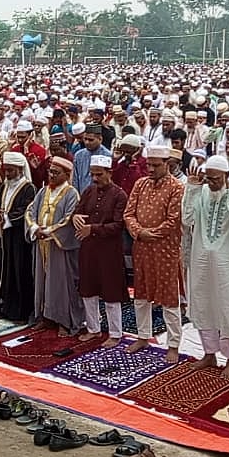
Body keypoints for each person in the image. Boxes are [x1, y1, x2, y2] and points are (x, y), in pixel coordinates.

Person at [183, 154, 229, 379]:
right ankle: (209, 353)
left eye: (215, 179)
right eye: (208, 178)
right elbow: (186, 219)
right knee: (204, 305)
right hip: (201, 260)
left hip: (228, 262)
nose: (211, 183)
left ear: (226, 175)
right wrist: (192, 189)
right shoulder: (201, 192)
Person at [124, 145, 185, 361]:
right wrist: (139, 232)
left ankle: (173, 344)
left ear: (167, 165)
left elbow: (173, 219)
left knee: (169, 298)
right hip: (141, 247)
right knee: (140, 294)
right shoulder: (140, 184)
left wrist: (151, 234)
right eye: (148, 164)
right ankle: (143, 336)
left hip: (165, 250)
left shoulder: (177, 187)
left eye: (155, 165)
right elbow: (128, 213)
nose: (150, 168)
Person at [74, 155, 129, 347]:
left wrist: (93, 229)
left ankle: (115, 333)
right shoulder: (89, 191)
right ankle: (93, 329)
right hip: (89, 248)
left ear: (109, 173)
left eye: (99, 174)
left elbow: (118, 225)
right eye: (93, 175)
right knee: (88, 289)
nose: (95, 178)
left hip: (109, 251)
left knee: (111, 291)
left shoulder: (119, 195)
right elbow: (77, 211)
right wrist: (76, 219)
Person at [25, 156, 83, 335]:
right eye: (50, 172)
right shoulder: (43, 191)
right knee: (41, 282)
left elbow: (69, 220)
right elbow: (30, 211)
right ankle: (45, 317)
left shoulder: (72, 194)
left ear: (66, 175)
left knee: (60, 283)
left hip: (58, 246)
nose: (51, 176)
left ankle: (63, 321)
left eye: (56, 173)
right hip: (41, 243)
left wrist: (49, 232)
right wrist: (35, 228)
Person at [0, 152, 37, 322]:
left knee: (17, 272)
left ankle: (18, 311)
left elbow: (26, 211)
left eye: (11, 170)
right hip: (0, 238)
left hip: (17, 240)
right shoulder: (3, 185)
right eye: (5, 170)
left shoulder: (28, 188)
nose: (7, 174)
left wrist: (5, 218)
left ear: (20, 169)